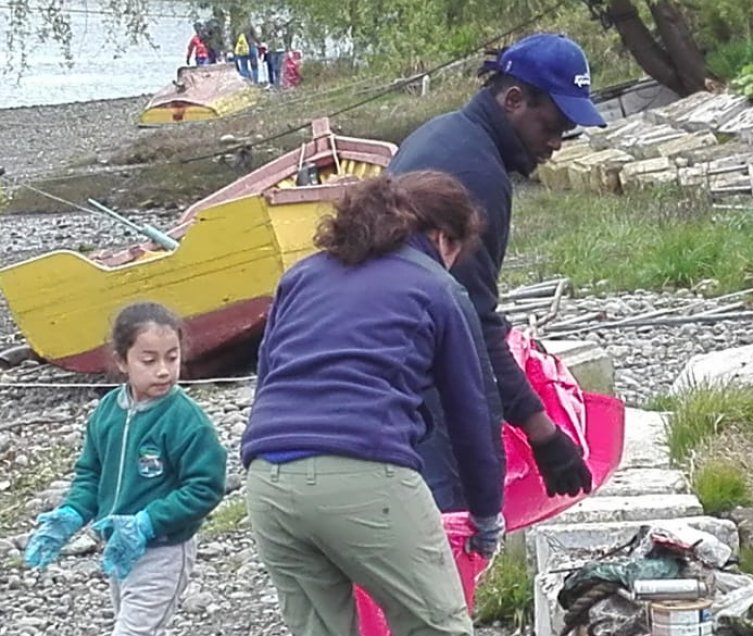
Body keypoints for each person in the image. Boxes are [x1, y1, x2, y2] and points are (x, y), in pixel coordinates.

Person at [240, 170, 506, 636]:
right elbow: (471, 413)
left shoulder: (300, 276)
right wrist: (486, 514)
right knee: (436, 627)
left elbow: (269, 380)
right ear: (442, 238)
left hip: (268, 483)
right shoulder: (434, 286)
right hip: (362, 474)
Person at [385, 32, 606, 514]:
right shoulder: (475, 175)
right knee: (451, 527)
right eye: (553, 125)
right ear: (513, 100)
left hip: (384, 361)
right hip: (414, 373)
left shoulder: (442, 132)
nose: (556, 143)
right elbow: (470, 322)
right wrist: (543, 432)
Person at [22, 301, 228, 636]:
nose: (163, 370)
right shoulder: (108, 411)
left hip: (163, 549)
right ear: (122, 361)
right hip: (118, 547)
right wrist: (71, 513)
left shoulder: (186, 420)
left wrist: (148, 522)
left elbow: (205, 487)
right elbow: (91, 474)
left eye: (172, 357)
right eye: (149, 360)